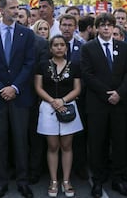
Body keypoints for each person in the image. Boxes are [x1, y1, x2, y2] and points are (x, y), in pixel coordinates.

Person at [0, 0, 35, 198]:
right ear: (1, 10)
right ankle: (1, 182)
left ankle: (23, 181)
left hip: (20, 97)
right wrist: (1, 88)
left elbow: (30, 63)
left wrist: (15, 88)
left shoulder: (27, 34)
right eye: (12, 8)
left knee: (21, 141)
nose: (16, 11)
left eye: (17, 7)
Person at [80, 13, 127, 198]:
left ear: (113, 27)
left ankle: (117, 179)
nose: (105, 28)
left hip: (119, 104)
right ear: (96, 28)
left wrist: (119, 93)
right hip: (97, 105)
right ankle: (98, 180)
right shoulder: (88, 48)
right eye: (102, 25)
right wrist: (107, 94)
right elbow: (87, 75)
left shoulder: (124, 47)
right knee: (97, 144)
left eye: (109, 25)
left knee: (119, 142)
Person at [35, 35, 82, 197]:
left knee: (67, 146)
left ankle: (66, 180)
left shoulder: (74, 65)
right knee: (53, 146)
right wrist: (53, 101)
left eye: (62, 45)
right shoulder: (42, 65)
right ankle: (54, 180)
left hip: (68, 108)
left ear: (66, 48)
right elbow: (38, 87)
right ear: (50, 48)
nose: (59, 48)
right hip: (48, 108)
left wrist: (62, 100)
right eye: (56, 45)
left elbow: (77, 89)